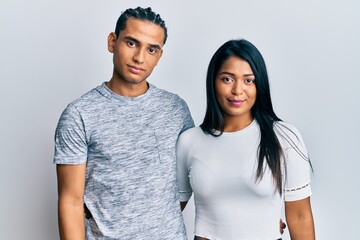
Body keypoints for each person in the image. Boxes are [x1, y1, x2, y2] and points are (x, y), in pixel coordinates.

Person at [54, 7, 194, 239]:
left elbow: (194, 175)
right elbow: (70, 201)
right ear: (112, 41)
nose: (140, 57)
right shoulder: (79, 114)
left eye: (151, 49)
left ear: (159, 56)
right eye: (131, 43)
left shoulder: (176, 109)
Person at [177, 39, 315, 239]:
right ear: (213, 81)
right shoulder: (189, 142)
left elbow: (300, 216)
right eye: (227, 79)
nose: (237, 90)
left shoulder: (284, 137)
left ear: (260, 85)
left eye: (248, 80)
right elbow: (168, 213)